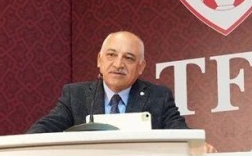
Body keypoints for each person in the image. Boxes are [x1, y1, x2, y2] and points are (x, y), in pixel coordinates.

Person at [27, 31, 189, 133]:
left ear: (141, 67)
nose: (118, 64)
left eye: (128, 58)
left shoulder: (158, 97)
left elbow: (182, 135)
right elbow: (44, 128)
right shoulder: (75, 96)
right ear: (99, 60)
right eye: (111, 55)